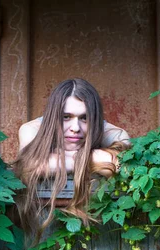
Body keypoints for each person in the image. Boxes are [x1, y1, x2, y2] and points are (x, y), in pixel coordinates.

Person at [13, 78, 131, 237]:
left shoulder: (113, 133)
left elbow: (123, 163)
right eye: (66, 117)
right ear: (54, 116)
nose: (75, 128)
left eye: (84, 118)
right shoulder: (32, 129)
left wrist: (59, 159)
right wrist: (90, 158)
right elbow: (30, 165)